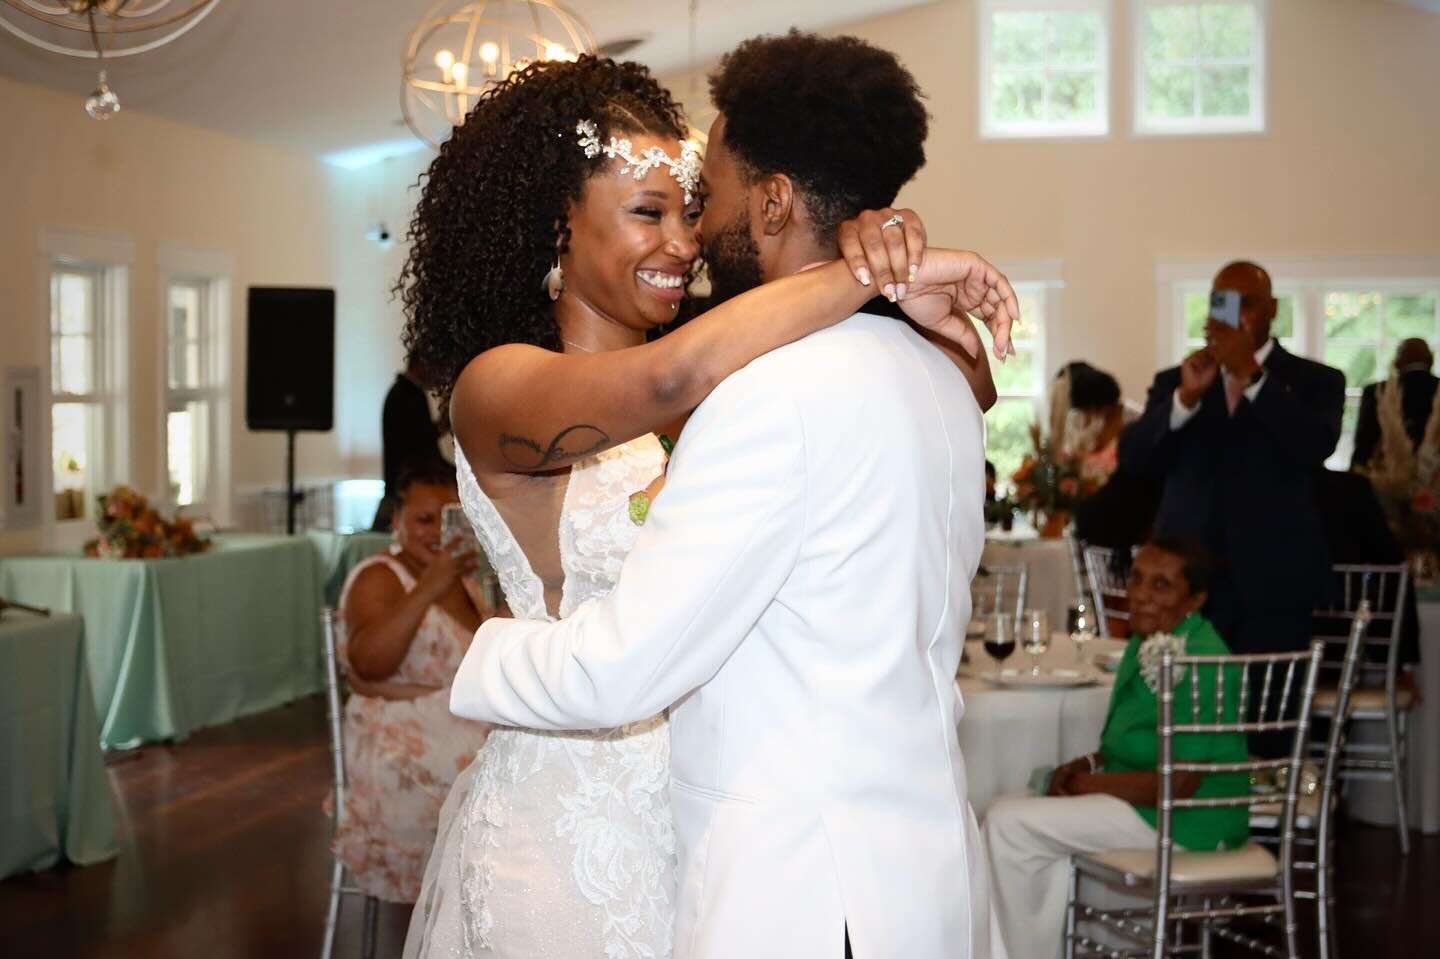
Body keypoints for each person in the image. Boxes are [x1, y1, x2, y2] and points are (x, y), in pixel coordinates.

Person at [400, 51, 1015, 959]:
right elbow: (677, 374)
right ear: (556, 225)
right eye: (647, 213)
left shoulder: (714, 370)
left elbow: (950, 394)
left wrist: (892, 269)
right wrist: (868, 267)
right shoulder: (500, 385)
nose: (684, 243)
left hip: (694, 828)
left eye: (691, 210)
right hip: (572, 815)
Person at [981, 539, 1248, 959]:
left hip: (1190, 819)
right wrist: (1087, 764)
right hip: (1153, 806)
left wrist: (1090, 786)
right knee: (1006, 809)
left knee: (1008, 824)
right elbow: (1128, 739)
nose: (1140, 594)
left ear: (1196, 598)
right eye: (1137, 578)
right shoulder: (1150, 641)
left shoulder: (1200, 660)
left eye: (1161, 585)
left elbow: (1179, 783)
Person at [1119, 261, 1345, 657]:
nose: (1233, 315)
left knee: (1269, 712)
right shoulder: (1178, 381)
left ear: (1272, 309)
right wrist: (1184, 400)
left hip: (1275, 587)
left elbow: (1315, 445)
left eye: (1247, 304)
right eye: (1221, 303)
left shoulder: (1316, 381)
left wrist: (1253, 377)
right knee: (1184, 713)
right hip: (1187, 588)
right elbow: (1134, 459)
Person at [334, 460, 491, 903]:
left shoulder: (466, 579)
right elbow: (368, 666)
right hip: (400, 744)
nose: (436, 532)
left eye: (450, 518)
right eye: (424, 520)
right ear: (397, 521)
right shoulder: (379, 576)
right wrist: (427, 586)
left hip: (456, 723)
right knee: (509, 777)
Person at [372, 359, 444, 531]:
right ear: (421, 364)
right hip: (407, 485)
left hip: (400, 484)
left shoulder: (400, 392)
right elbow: (421, 443)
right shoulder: (408, 395)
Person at [1351, 337, 1439, 470]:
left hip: (1386, 475)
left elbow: (1364, 444)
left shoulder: (1377, 391)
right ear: (1430, 360)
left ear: (1397, 362)